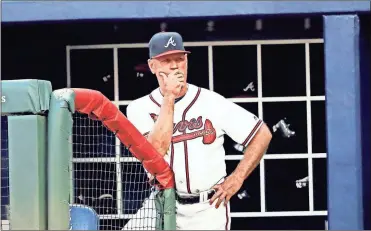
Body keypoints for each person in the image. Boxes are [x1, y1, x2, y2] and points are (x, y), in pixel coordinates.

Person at [126, 31, 272, 230]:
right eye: (166, 60)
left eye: (179, 59)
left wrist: (237, 178)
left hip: (208, 207)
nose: (175, 66)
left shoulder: (211, 101)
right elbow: (156, 151)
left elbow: (261, 134)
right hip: (163, 203)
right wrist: (169, 97)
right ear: (152, 66)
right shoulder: (138, 108)